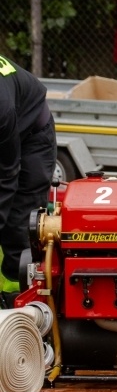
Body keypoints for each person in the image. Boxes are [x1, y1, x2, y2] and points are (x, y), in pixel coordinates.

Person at [0, 55, 57, 307]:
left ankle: (18, 300)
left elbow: (6, 175)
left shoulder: (1, 109)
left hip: (32, 136)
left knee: (19, 222)